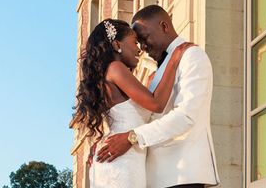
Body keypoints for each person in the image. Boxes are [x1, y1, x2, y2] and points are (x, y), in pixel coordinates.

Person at [98, 5, 220, 188]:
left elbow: (187, 115)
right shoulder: (157, 70)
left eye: (145, 38)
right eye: (138, 42)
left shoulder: (191, 55)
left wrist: (132, 137)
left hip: (183, 174)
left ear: (164, 26)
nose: (143, 47)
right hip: (155, 177)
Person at [72, 18, 193, 188]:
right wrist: (173, 61)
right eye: (135, 42)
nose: (139, 49)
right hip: (121, 161)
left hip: (123, 158)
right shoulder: (115, 68)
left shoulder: (109, 73)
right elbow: (157, 103)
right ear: (116, 45)